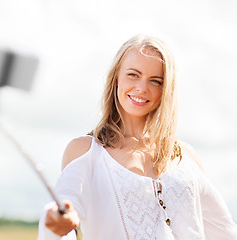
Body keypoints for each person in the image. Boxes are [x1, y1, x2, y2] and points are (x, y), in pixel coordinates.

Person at [37, 34, 237, 240]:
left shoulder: (185, 156)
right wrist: (58, 219)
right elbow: (65, 202)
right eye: (133, 75)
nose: (142, 88)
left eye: (156, 81)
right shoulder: (86, 151)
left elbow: (224, 230)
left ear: (165, 90)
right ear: (116, 78)